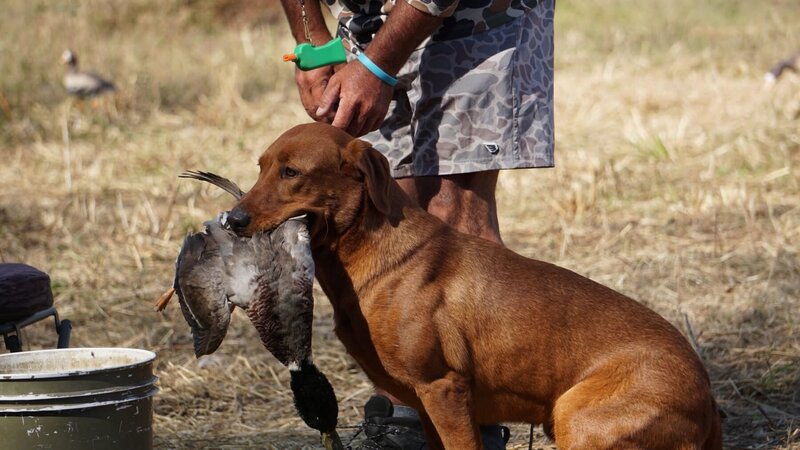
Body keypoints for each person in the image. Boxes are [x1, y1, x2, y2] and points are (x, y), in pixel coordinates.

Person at [278, 0, 554, 448]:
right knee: (388, 210)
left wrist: (377, 66)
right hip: (368, 18)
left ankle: (476, 424)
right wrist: (313, 45)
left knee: (451, 205)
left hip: (476, 15)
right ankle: (405, 420)